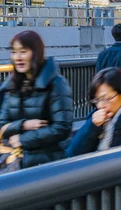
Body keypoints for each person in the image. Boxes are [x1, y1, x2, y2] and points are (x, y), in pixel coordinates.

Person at [0, 31, 73, 169]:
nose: (18, 58)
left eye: (23, 51)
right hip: (15, 160)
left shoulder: (56, 83)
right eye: (14, 52)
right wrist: (23, 125)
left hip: (47, 162)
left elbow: (63, 127)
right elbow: (2, 124)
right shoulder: (13, 85)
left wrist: (23, 139)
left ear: (36, 53)